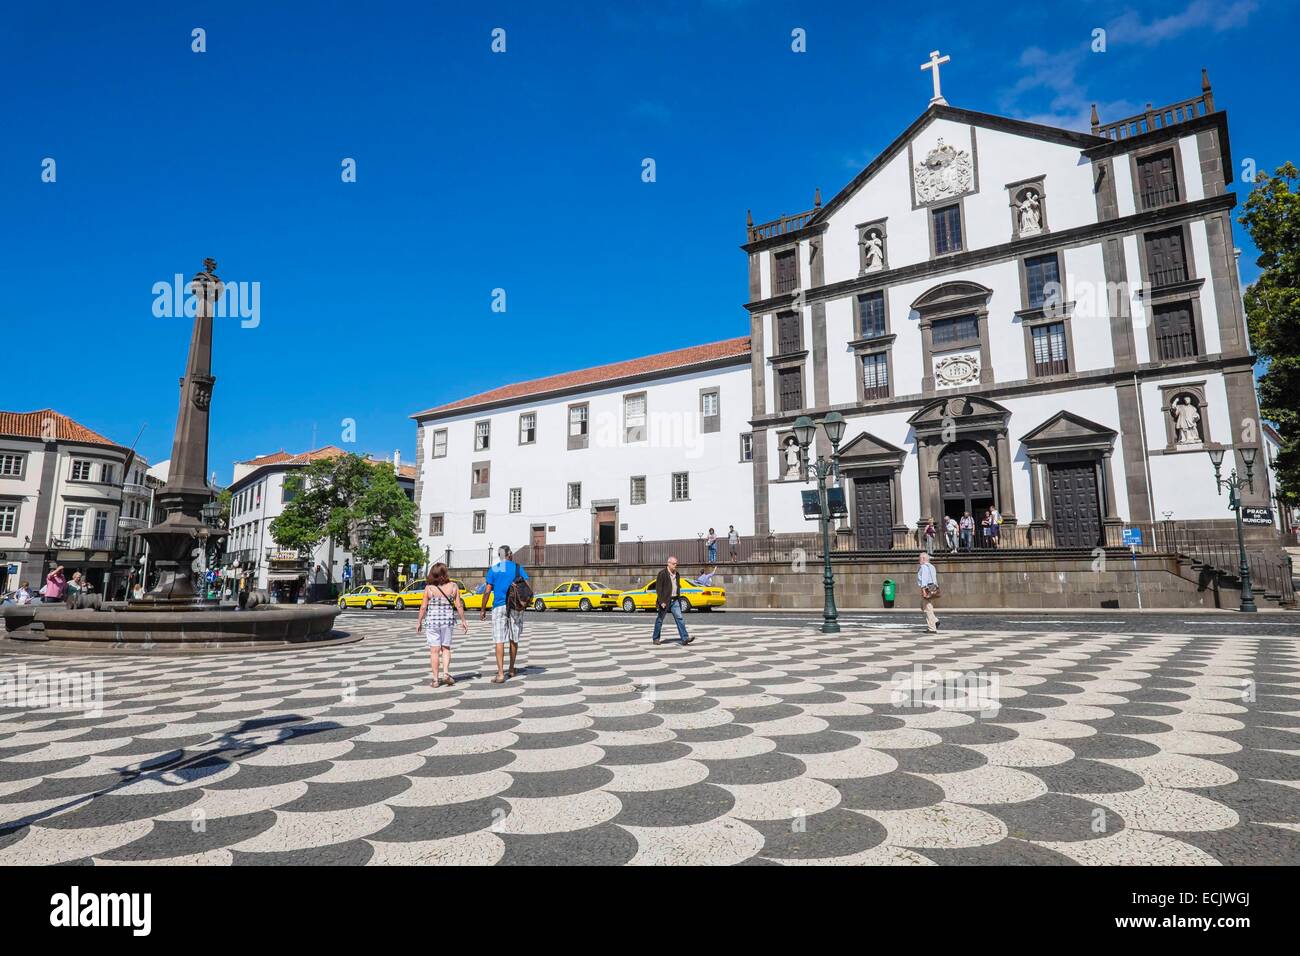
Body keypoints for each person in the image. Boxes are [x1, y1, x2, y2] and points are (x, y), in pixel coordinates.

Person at [481, 545, 529, 683]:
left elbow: (487, 591)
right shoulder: (518, 568)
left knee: (499, 639)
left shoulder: (494, 569)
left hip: (499, 606)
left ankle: (501, 674)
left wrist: (483, 609)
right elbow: (526, 585)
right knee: (514, 638)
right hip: (515, 606)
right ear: (510, 554)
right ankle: (512, 669)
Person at [417, 562, 467, 688]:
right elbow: (459, 605)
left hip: (432, 622)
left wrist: (419, 622)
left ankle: (435, 680)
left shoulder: (429, 588)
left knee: (434, 651)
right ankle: (445, 673)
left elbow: (423, 607)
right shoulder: (453, 586)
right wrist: (463, 621)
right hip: (447, 622)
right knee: (446, 648)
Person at [652, 556, 693, 646]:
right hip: (665, 600)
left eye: (676, 564)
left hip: (675, 600)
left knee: (680, 618)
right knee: (660, 620)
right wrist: (661, 601)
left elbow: (677, 586)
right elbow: (659, 588)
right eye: (674, 564)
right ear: (669, 563)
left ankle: (685, 638)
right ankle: (656, 638)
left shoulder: (677, 574)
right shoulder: (662, 573)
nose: (676, 565)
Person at [917, 552, 940, 633]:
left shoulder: (923, 567)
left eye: (919, 558)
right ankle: (935, 621)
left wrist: (923, 589)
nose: (918, 560)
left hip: (927, 588)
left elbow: (924, 578)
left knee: (928, 608)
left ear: (923, 558)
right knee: (924, 606)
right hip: (932, 588)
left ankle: (932, 628)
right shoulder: (931, 566)